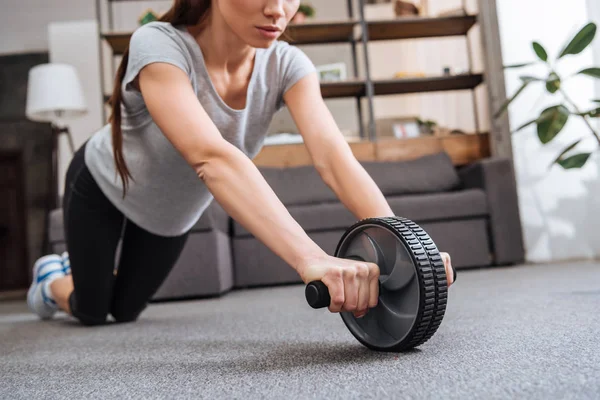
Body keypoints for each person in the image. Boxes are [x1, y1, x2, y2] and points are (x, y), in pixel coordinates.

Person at [27, 0, 455, 326]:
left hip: (168, 214)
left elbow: (332, 156)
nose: (278, 10)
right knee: (91, 312)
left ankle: (82, 275)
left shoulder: (288, 65)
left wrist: (405, 244)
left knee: (123, 313)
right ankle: (51, 279)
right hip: (103, 185)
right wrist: (311, 258)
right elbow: (211, 157)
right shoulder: (158, 43)